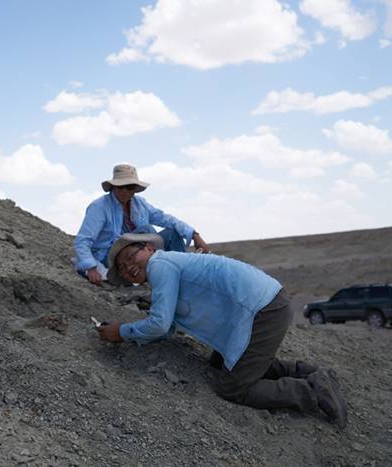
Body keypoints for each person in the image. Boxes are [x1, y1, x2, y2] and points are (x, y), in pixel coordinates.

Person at [97, 233, 347, 427]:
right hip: (262, 305)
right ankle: (308, 372)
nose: (128, 266)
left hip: (262, 310)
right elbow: (168, 327)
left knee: (233, 388)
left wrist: (122, 332)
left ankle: (312, 391)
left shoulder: (160, 265)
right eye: (122, 267)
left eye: (131, 257)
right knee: (220, 363)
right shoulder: (166, 268)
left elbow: (160, 324)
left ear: (149, 248)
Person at [74, 164, 209, 285]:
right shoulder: (99, 207)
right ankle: (162, 273)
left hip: (137, 252)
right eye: (120, 187)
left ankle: (184, 272)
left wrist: (194, 234)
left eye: (129, 187)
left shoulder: (140, 204)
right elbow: (83, 240)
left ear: (135, 189)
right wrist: (90, 267)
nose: (124, 191)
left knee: (172, 233)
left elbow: (165, 218)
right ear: (114, 186)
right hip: (110, 256)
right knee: (147, 230)